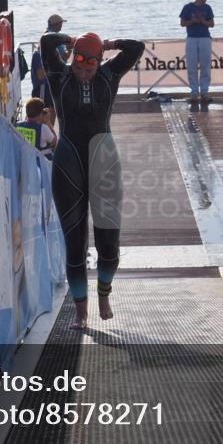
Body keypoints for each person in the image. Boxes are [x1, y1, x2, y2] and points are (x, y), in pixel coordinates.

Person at [40, 29, 145, 329]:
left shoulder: (109, 75)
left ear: (99, 62)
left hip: (105, 164)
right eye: (78, 67)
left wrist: (109, 44)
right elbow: (47, 41)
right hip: (68, 164)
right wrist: (71, 41)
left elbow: (136, 46)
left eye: (89, 68)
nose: (83, 75)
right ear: (71, 62)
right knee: (75, 245)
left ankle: (104, 293)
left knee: (109, 246)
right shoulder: (59, 78)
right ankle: (81, 312)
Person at [179, 0, 214, 102]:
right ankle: (194, 92)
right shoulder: (188, 7)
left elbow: (212, 24)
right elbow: (182, 23)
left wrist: (203, 22)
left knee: (205, 65)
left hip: (205, 38)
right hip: (192, 38)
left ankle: (204, 92)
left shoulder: (207, 8)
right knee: (192, 65)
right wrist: (192, 21)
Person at [30, 14, 69, 106]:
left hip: (55, 81)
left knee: (53, 109)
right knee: (45, 110)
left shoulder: (58, 38)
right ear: (56, 24)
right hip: (45, 86)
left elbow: (64, 57)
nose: (61, 26)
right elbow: (41, 76)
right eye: (60, 24)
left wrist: (70, 48)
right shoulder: (46, 42)